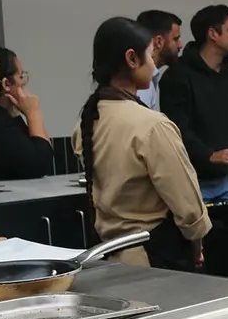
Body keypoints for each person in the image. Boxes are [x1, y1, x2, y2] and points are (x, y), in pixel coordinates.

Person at [72, 17, 211, 269]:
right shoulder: (152, 126)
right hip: (152, 258)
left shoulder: (88, 119)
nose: (154, 67)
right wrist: (197, 242)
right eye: (150, 55)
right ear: (132, 59)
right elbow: (186, 203)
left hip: (109, 254)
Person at [160, 4, 228, 202]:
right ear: (213, 34)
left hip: (223, 181)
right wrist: (208, 155)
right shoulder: (177, 77)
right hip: (188, 182)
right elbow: (178, 129)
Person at [0, 46, 54, 182]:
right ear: (6, 84)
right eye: (21, 77)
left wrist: (14, 112)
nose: (23, 84)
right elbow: (39, 164)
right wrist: (33, 113)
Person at [134, 10, 182, 111]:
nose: (180, 45)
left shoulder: (145, 77)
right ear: (159, 41)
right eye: (176, 39)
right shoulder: (141, 84)